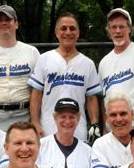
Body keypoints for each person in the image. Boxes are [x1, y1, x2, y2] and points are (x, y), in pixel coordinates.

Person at [28, 12, 101, 141]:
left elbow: (91, 98)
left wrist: (94, 124)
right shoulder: (44, 59)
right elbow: (36, 94)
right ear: (56, 32)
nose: (68, 32)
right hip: (48, 127)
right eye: (63, 28)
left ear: (78, 33)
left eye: (72, 28)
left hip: (78, 128)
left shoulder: (87, 63)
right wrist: (34, 121)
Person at [36, 98, 94, 168]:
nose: (67, 121)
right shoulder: (40, 146)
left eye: (72, 117)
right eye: (63, 116)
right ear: (55, 119)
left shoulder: (88, 151)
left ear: (78, 120)